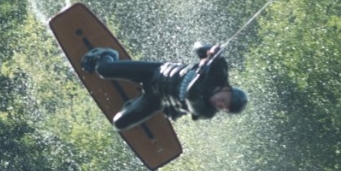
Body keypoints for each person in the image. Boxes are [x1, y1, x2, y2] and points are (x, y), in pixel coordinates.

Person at [81, 43, 248, 132]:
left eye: (223, 108)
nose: (220, 105)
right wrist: (210, 50)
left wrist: (202, 70)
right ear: (227, 88)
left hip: (156, 100)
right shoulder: (219, 70)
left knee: (118, 124)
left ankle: (133, 104)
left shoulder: (206, 111)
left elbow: (191, 95)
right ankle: (107, 54)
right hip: (155, 72)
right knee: (103, 70)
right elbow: (197, 46)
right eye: (224, 101)